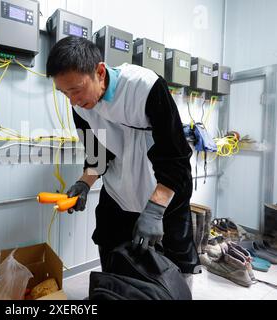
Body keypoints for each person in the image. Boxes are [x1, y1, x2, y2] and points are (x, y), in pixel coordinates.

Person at [46, 36, 201, 282]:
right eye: (64, 93)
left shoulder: (145, 87)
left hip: (163, 188)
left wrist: (155, 209)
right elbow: (97, 153)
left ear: (99, 71)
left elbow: (175, 155)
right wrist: (84, 183)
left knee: (175, 259)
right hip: (119, 188)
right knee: (110, 242)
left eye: (75, 89)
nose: (72, 100)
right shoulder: (80, 106)